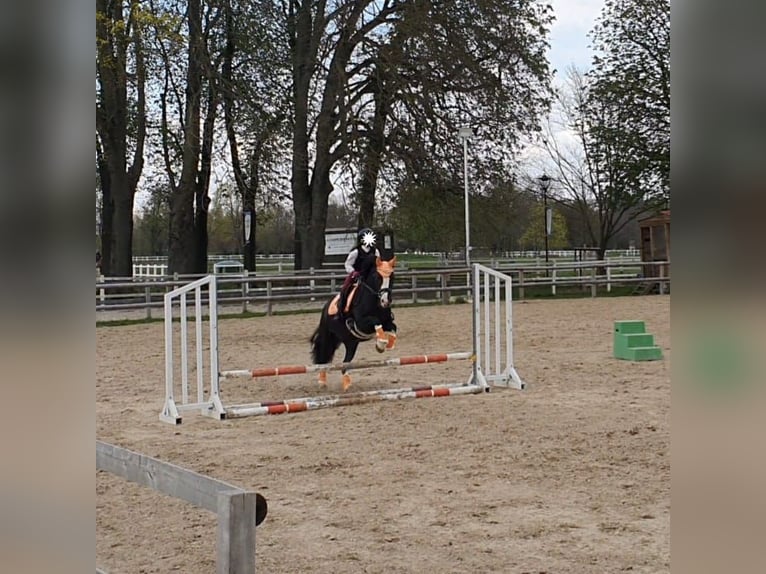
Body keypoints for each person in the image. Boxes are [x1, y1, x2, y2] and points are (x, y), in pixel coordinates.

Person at [338, 228, 381, 313]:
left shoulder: (375, 251)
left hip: (371, 277)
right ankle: (342, 309)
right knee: (345, 289)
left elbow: (379, 264)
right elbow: (347, 264)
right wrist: (353, 272)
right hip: (358, 276)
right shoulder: (356, 252)